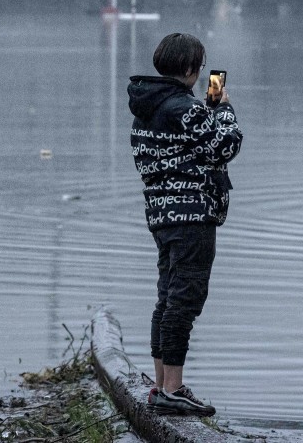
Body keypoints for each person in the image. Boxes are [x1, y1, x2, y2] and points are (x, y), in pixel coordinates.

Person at [128, 32, 243, 417]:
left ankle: (161, 386)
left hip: (162, 216)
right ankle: (173, 390)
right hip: (192, 215)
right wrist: (223, 107)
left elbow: (187, 147)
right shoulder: (184, 107)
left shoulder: (146, 107)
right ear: (192, 68)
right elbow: (226, 145)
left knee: (167, 297)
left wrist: (206, 114)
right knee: (185, 300)